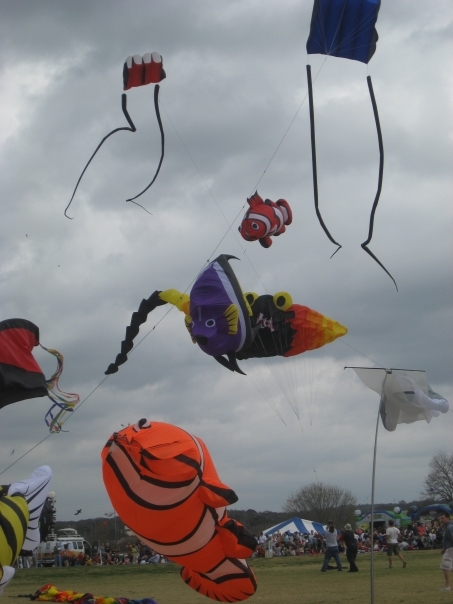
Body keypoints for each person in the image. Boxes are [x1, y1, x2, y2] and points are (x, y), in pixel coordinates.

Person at [439, 512, 453, 592]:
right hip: (449, 548)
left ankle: (447, 587)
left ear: (448, 518)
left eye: (443, 518)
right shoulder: (449, 526)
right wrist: (444, 548)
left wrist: (446, 548)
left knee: (445, 566)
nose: (441, 520)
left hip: (450, 549)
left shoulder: (449, 527)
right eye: (441, 518)